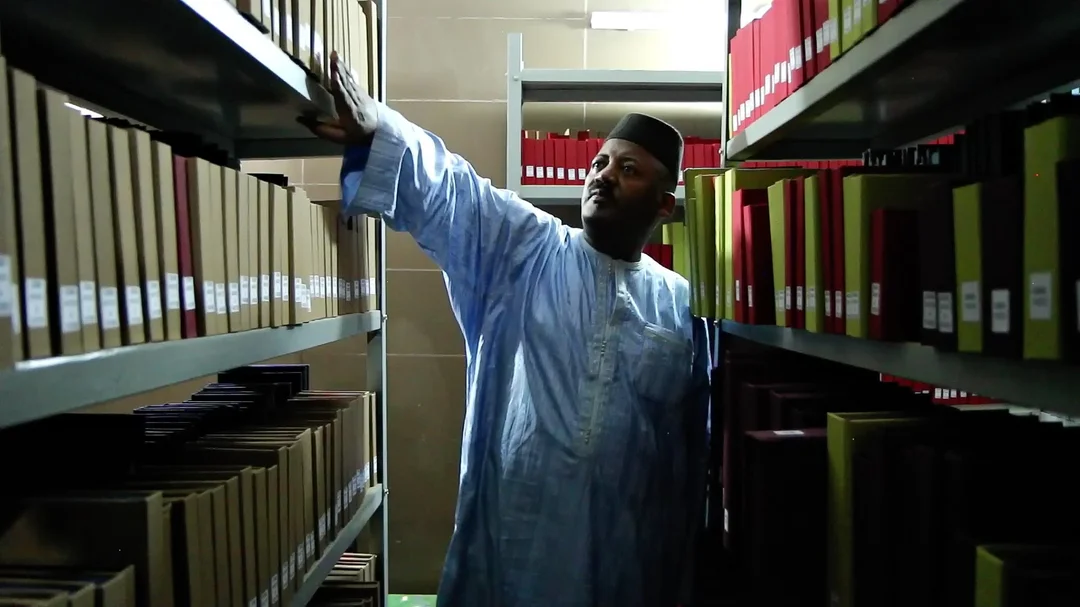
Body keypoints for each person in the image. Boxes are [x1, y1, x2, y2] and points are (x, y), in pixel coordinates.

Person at [303, 52, 711, 607]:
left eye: (628, 170)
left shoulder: (679, 302)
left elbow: (688, 448)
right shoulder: (527, 248)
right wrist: (380, 128)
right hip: (518, 539)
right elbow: (454, 191)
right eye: (600, 163)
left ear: (665, 205)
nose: (604, 178)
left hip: (622, 556)